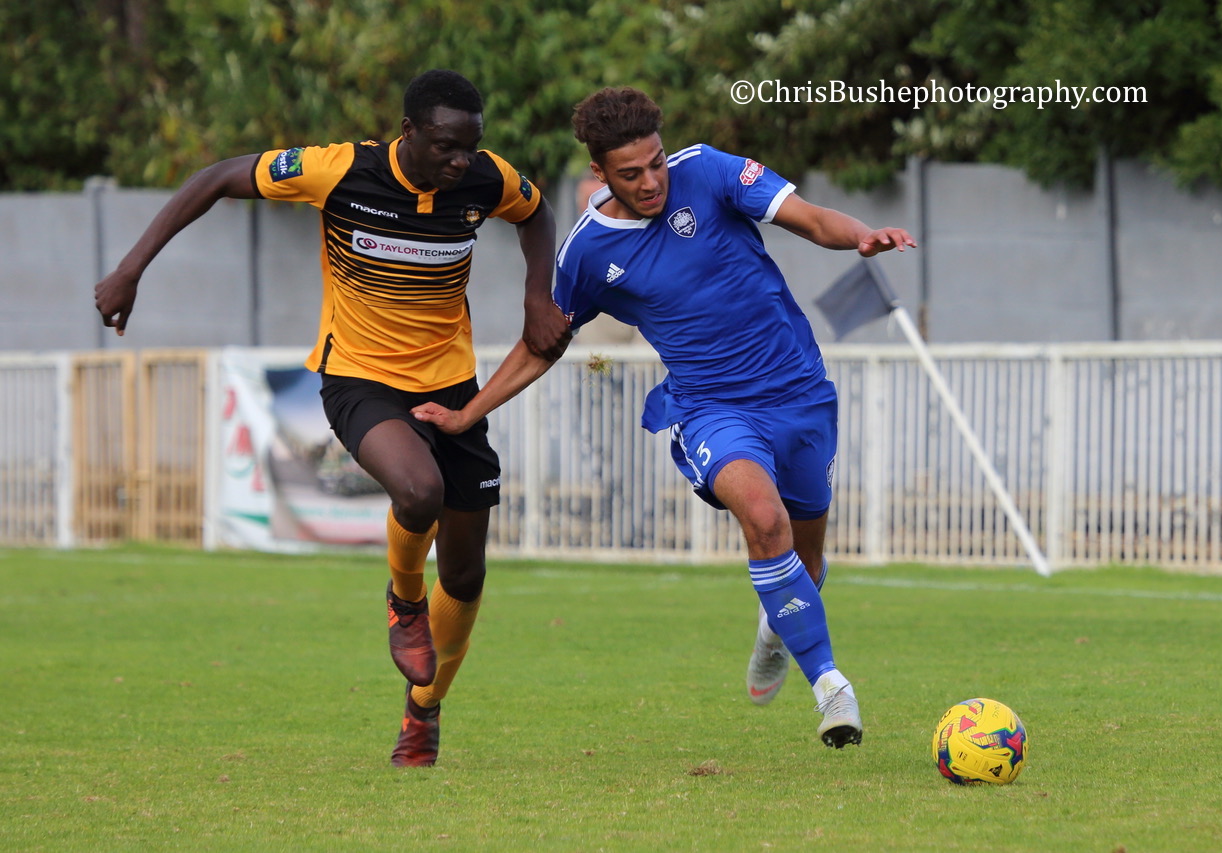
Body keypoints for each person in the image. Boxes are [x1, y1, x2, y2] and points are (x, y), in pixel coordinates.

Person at [93, 69, 570, 767]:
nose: (459, 161)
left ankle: (423, 711)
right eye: (444, 146)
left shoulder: (483, 179)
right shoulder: (337, 171)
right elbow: (218, 177)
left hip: (453, 384)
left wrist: (537, 294)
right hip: (360, 379)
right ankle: (404, 601)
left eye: (470, 147)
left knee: (466, 576)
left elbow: (536, 215)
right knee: (418, 491)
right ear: (407, 132)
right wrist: (131, 267)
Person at [414, 86, 916, 748]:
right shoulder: (590, 252)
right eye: (632, 173)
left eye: (656, 164)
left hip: (801, 394)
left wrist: (861, 236)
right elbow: (543, 344)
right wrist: (466, 414)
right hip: (710, 409)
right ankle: (831, 686)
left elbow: (809, 217)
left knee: (805, 557)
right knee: (763, 517)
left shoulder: (706, 170)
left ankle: (778, 625)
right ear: (600, 172)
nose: (651, 181)